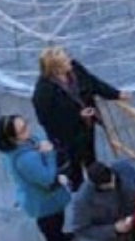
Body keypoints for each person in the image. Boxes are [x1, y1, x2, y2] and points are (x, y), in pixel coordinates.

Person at [31, 46, 127, 190]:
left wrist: (115, 94)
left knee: (90, 156)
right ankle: (80, 190)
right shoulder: (43, 94)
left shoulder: (74, 69)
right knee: (74, 167)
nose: (69, 60)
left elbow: (93, 83)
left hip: (86, 127)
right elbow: (47, 121)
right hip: (67, 138)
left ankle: (95, 183)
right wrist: (77, 116)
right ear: (55, 68)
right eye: (64, 60)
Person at [0, 114, 84, 241]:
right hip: (44, 202)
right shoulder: (25, 159)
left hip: (40, 198)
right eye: (22, 130)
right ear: (12, 138)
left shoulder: (19, 147)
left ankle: (60, 240)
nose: (27, 131)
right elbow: (48, 178)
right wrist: (49, 154)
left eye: (25, 125)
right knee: (53, 225)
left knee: (53, 225)